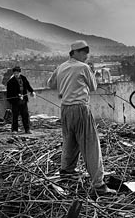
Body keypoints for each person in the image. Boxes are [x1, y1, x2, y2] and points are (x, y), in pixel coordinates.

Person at [47, 41, 115, 198]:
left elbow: (50, 84)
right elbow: (93, 87)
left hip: (65, 109)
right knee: (91, 144)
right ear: (75, 52)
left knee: (70, 141)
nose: (86, 55)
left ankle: (66, 171)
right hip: (80, 108)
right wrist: (90, 71)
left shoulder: (61, 67)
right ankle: (98, 185)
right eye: (84, 52)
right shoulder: (83, 67)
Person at [5, 66, 35, 133]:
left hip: (23, 101)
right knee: (15, 116)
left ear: (20, 73)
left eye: (17, 73)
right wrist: (17, 96)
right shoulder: (11, 82)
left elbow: (28, 86)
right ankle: (15, 130)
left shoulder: (23, 78)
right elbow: (9, 93)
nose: (16, 74)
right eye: (15, 73)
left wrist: (32, 91)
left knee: (25, 115)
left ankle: (27, 129)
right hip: (15, 102)